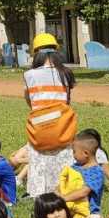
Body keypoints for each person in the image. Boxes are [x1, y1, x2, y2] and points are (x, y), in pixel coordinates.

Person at [22, 33, 78, 200]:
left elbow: (29, 101)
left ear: (36, 53)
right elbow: (67, 100)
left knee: (39, 161)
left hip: (39, 127)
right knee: (63, 158)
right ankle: (63, 189)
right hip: (62, 126)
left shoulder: (29, 75)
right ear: (56, 52)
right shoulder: (66, 73)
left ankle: (38, 193)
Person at [57, 132, 105, 218]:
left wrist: (63, 198)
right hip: (70, 213)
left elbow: (83, 192)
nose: (73, 155)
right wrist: (57, 191)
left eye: (74, 151)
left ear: (86, 153)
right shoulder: (75, 167)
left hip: (88, 217)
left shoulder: (97, 172)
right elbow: (64, 182)